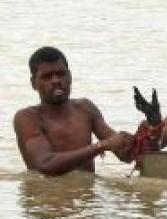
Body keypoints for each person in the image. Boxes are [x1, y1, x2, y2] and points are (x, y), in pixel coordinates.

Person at [13, 46, 134, 175]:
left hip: (87, 188)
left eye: (61, 74)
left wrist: (143, 139)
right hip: (47, 188)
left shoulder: (85, 108)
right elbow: (45, 164)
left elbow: (125, 155)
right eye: (47, 77)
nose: (56, 81)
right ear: (33, 83)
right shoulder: (27, 118)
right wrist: (102, 146)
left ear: (69, 76)